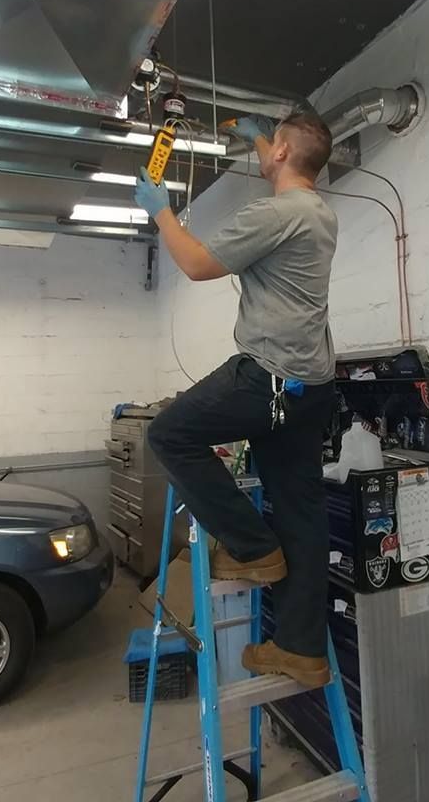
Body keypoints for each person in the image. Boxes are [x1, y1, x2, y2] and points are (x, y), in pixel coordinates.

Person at [134, 111, 337, 688]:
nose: (265, 149)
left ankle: (250, 546)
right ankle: (300, 650)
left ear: (280, 157)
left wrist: (160, 210)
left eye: (270, 145)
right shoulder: (322, 214)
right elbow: (288, 158)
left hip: (266, 377)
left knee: (169, 433)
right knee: (302, 513)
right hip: (310, 387)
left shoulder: (274, 215)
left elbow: (197, 265)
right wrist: (256, 136)